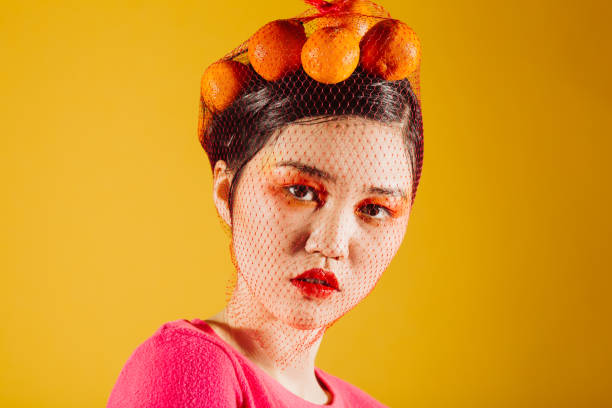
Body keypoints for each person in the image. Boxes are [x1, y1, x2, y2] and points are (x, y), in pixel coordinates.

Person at [107, 1, 423, 407]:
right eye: (301, 191)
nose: (331, 243)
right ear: (226, 192)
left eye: (374, 209)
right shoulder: (188, 366)